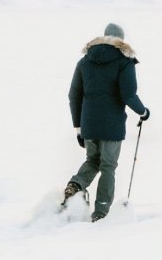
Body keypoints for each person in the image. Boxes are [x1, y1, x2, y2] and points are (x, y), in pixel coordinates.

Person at [63, 22, 150, 221]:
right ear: (121, 40)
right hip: (111, 124)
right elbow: (128, 95)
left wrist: (78, 127)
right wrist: (143, 112)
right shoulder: (124, 61)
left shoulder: (85, 61)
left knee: (92, 160)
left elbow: (73, 95)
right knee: (108, 166)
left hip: (89, 124)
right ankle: (101, 212)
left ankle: (75, 185)